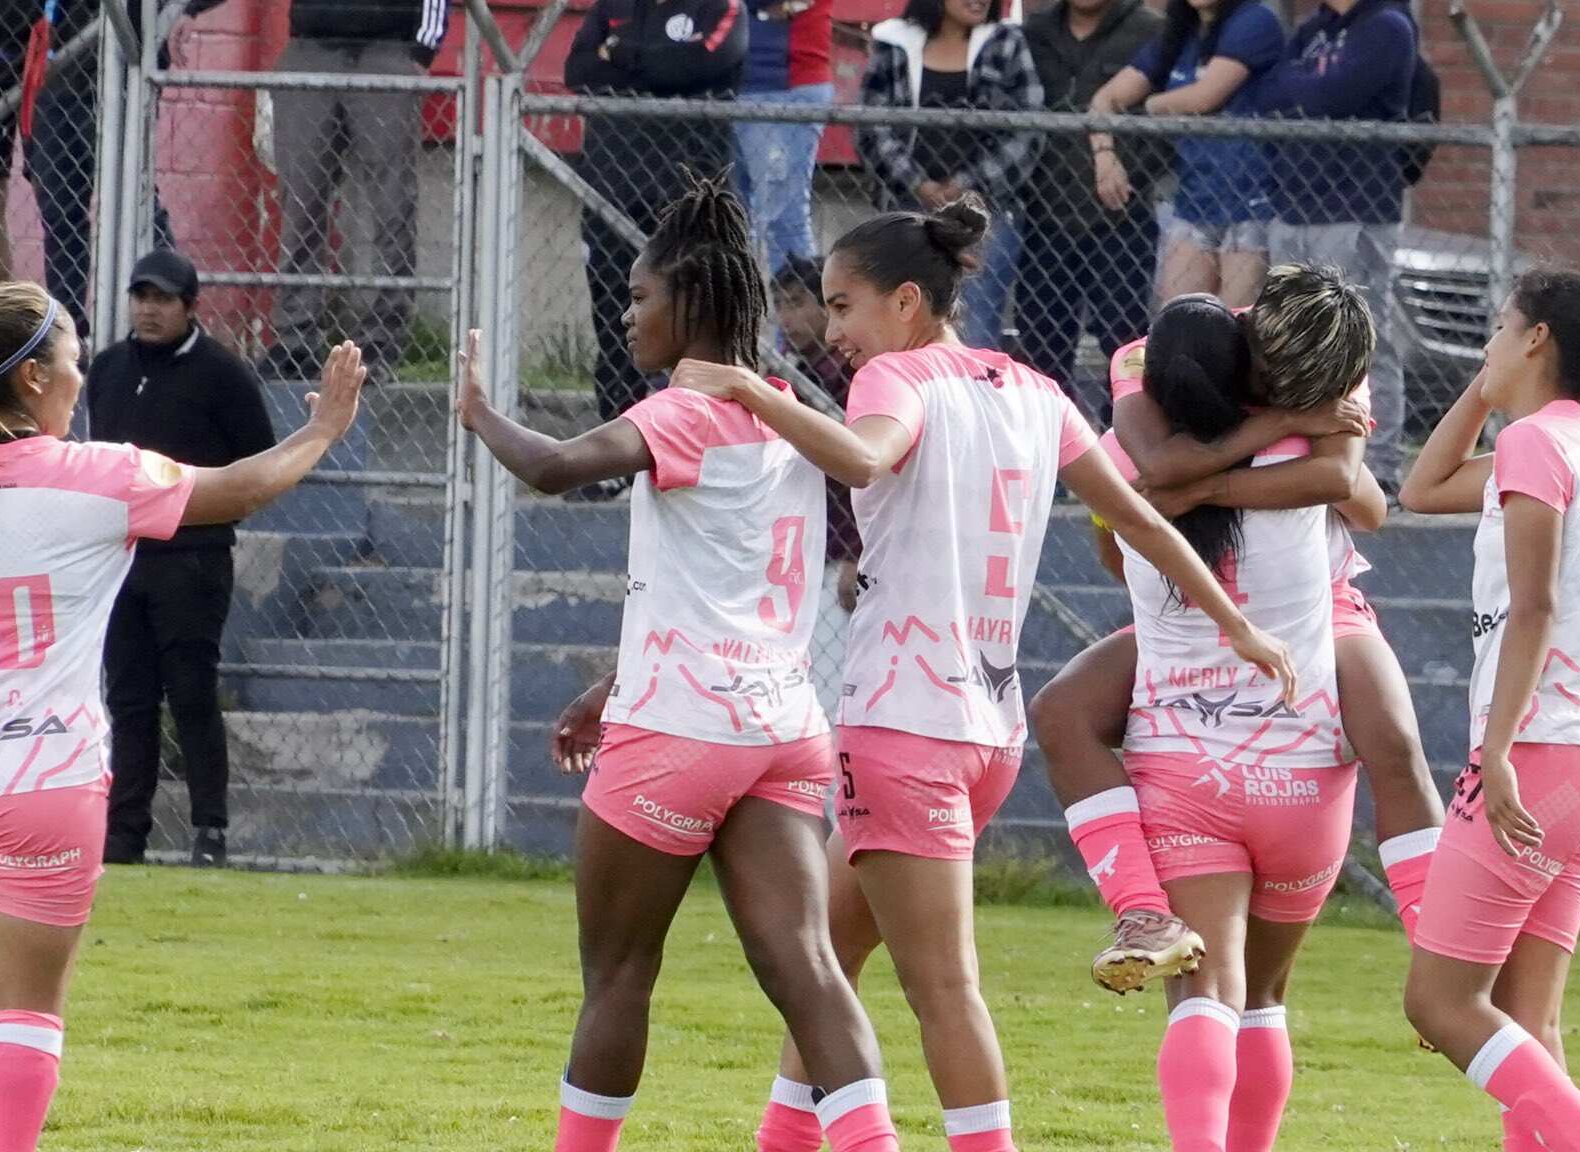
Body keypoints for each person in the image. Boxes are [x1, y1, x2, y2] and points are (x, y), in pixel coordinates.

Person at [672, 195, 1295, 1152]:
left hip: (904, 726)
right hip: (983, 732)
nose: (832, 330)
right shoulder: (1036, 392)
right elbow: (1142, 521)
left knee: (942, 990)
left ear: (909, 302)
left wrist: (757, 392)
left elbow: (865, 456)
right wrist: (1237, 625)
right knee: (823, 958)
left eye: (843, 307)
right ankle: (783, 1139)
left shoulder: (896, 379)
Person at [0, 279, 366, 1152]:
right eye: (72, 362)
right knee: (30, 1007)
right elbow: (240, 491)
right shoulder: (106, 476)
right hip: (48, 779)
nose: (81, 380)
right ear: (30, 382)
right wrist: (322, 430)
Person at [456, 175, 903, 1152]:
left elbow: (552, 466)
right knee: (808, 971)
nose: (626, 317)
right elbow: (718, 581)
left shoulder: (678, 412)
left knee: (618, 975)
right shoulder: (787, 409)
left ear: (690, 303)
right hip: (779, 727)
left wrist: (480, 411)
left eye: (637, 297)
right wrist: (609, 687)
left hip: (679, 735)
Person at [1032, 264, 1445, 1001]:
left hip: (1318, 602)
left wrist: (1205, 486)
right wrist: (1282, 428)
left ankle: (1444, 945)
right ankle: (1142, 913)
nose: (1291, 399)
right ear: (1251, 340)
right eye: (1275, 387)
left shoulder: (1334, 357)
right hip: (1194, 608)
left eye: (1302, 398)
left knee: (1394, 739)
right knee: (1063, 709)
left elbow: (1344, 486)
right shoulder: (1150, 358)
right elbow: (1152, 473)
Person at [1398, 269, 1580, 1152]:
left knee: (1439, 1003)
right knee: (1526, 1024)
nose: (1486, 346)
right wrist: (1489, 384)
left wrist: (1497, 750)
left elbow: (1536, 606)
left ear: (1538, 338)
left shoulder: (1535, 446)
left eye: (1499, 330)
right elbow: (1423, 486)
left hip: (1543, 751)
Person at [1091, 294, 1358, 1152]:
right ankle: (1433, 912)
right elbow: (1367, 498)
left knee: (1207, 991)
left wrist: (1192, 486)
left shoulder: (1119, 458)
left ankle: (1134, 906)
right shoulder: (1306, 442)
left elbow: (1112, 544)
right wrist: (1283, 418)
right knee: (1267, 998)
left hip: (1186, 766)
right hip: (1303, 760)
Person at [87, 249, 277, 868]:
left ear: (190, 307)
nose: (148, 309)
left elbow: (259, 462)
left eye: (163, 299)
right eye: (140, 296)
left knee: (192, 691)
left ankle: (210, 830)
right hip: (121, 556)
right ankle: (125, 833)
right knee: (129, 696)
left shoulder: (223, 374)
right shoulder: (109, 367)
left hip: (193, 560)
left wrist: (208, 519)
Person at [563, 0, 747, 458]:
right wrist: (657, 62)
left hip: (689, 193)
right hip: (612, 185)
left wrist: (621, 53)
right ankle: (616, 451)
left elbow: (703, 62)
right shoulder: (613, 6)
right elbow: (578, 68)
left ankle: (695, 441)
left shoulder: (720, 7)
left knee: (695, 315)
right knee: (614, 317)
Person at [1254, 0, 1418, 493]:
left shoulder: (1387, 26)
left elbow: (1333, 94)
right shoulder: (1314, 30)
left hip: (1356, 208)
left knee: (1363, 335)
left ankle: (1378, 465)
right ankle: (1303, 449)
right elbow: (1268, 93)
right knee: (1291, 332)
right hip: (1295, 204)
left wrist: (1302, 93)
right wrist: (1306, 93)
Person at [254, 0, 449, 379]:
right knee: (300, 199)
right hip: (310, 43)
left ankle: (380, 343)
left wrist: (421, 51)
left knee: (392, 205)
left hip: (387, 47)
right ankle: (296, 340)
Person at [857, 0, 1040, 351]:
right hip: (905, 211)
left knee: (974, 330)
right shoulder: (894, 41)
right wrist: (916, 182)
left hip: (986, 216)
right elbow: (871, 125)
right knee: (901, 324)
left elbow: (1026, 128)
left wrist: (968, 186)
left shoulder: (1006, 42)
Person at [1014, 0, 1164, 419]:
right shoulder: (1034, 32)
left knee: (1126, 341)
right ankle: (1056, 451)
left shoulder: (1150, 31)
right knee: (1042, 340)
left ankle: (1123, 448)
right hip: (1045, 213)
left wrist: (1129, 169)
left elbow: (1171, 120)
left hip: (1121, 215)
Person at [1087, 0, 1285, 308]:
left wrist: (1148, 106)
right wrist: (1105, 154)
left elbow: (1205, 96)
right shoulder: (1182, 32)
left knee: (1239, 332)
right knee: (1178, 324)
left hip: (1252, 203)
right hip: (1193, 200)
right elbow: (1105, 99)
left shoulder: (1254, 20)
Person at [774, 255, 860, 707]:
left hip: (837, 559)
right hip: (797, 551)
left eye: (798, 303)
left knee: (827, 694)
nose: (788, 319)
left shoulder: (851, 378)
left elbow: (866, 472)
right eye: (780, 306)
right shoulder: (789, 375)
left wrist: (855, 554)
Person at [736, 0, 834, 274]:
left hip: (784, 83)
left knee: (783, 217)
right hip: (729, 79)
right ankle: (737, 311)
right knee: (729, 215)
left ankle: (799, 314)